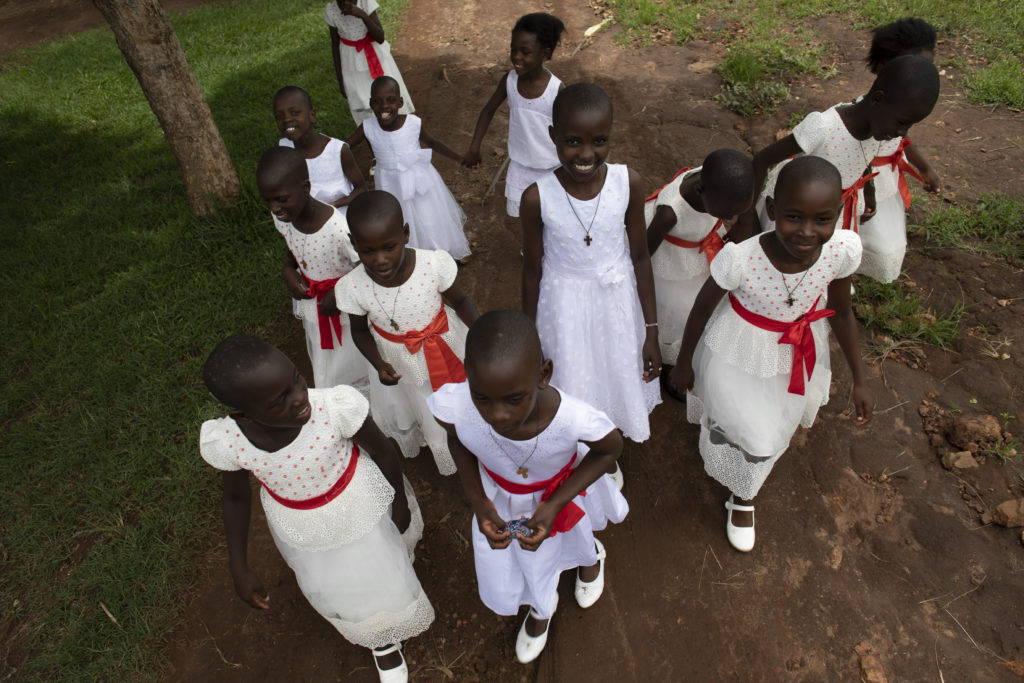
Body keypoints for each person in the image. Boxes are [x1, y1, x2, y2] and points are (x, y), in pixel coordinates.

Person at [199, 335, 433, 683]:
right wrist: (238, 565)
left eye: (297, 379)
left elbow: (384, 452)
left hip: (359, 504)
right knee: (336, 579)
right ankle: (379, 640)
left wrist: (399, 503)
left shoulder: (333, 408)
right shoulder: (230, 442)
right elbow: (235, 498)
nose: (299, 399)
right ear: (243, 414)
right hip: (301, 526)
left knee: (380, 565)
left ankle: (389, 623)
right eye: (280, 400)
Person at [669, 157, 873, 552]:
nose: (807, 232)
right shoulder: (741, 258)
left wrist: (860, 379)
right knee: (736, 415)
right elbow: (702, 308)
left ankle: (742, 495)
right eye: (794, 217)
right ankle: (740, 485)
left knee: (769, 425)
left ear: (837, 217)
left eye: (823, 220)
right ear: (773, 210)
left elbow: (843, 313)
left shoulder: (839, 253)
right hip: (737, 349)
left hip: (794, 354)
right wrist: (683, 364)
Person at [427, 311, 628, 664]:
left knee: (575, 536)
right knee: (529, 556)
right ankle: (541, 605)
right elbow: (457, 436)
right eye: (483, 398)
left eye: (514, 399)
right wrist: (479, 501)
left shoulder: (573, 418)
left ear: (543, 374)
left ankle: (590, 560)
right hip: (502, 499)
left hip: (560, 494)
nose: (497, 415)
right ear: (469, 377)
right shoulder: (454, 405)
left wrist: (554, 504)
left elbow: (610, 450)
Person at [521, 82, 661, 457]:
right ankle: (583, 450)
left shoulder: (626, 183)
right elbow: (532, 270)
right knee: (573, 374)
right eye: (572, 141)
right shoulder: (537, 197)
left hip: (615, 302)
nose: (586, 154)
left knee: (614, 369)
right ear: (552, 136)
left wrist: (651, 331)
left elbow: (641, 257)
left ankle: (607, 447)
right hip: (563, 306)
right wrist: (529, 338)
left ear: (611, 136)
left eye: (599, 141)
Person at [320, 190, 479, 475]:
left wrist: (480, 333)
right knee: (421, 401)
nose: (380, 260)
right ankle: (440, 443)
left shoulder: (432, 265)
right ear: (354, 244)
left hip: (446, 344)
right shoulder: (353, 287)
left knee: (462, 392)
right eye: (368, 251)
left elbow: (462, 301)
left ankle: (475, 434)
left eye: (389, 247)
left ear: (405, 234)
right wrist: (379, 364)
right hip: (400, 362)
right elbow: (360, 332)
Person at [750, 55, 940, 282]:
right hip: (793, 213)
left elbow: (865, 156)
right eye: (902, 122)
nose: (903, 133)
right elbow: (762, 160)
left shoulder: (877, 128)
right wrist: (747, 218)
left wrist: (869, 191)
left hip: (829, 213)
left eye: (910, 125)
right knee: (775, 269)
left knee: (812, 272)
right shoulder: (823, 127)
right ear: (878, 100)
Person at [645, 149, 755, 400]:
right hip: (669, 259)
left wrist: (743, 223)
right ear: (702, 192)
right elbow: (642, 255)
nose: (730, 219)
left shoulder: (716, 184)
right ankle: (671, 363)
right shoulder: (670, 212)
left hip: (695, 249)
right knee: (676, 310)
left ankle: (683, 355)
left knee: (704, 302)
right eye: (726, 215)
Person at [256, 146, 368, 392]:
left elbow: (367, 267)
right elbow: (293, 248)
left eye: (282, 199)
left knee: (356, 360)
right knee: (330, 364)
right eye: (267, 200)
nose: (274, 208)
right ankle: (338, 399)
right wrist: (288, 270)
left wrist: (338, 292)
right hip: (317, 307)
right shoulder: (283, 217)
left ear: (305, 188)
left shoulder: (337, 229)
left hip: (349, 312)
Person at [348, 76, 470, 260]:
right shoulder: (367, 127)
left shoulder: (413, 123)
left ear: (400, 102)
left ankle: (443, 251)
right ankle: (415, 255)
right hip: (390, 183)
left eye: (390, 100)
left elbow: (433, 143)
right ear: (371, 104)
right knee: (401, 218)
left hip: (419, 179)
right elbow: (344, 147)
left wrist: (460, 159)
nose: (384, 107)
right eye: (378, 102)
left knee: (429, 214)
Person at [463, 12, 566, 220]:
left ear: (545, 54)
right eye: (513, 49)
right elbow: (488, 110)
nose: (516, 57)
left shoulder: (556, 91)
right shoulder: (509, 81)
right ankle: (529, 252)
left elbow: (570, 132)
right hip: (520, 168)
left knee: (553, 219)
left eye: (525, 52)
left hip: (551, 171)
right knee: (525, 221)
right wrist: (474, 146)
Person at [273, 86, 367, 213]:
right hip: (305, 219)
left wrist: (334, 205)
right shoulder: (284, 149)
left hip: (340, 219)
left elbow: (361, 189)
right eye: (279, 116)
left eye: (294, 112)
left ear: (312, 115)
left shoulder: (338, 151)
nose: (286, 119)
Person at [324, 0, 414, 125]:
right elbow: (335, 44)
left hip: (376, 58)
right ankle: (374, 134)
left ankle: (400, 128)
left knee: (388, 94)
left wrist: (362, 14)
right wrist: (340, 80)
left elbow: (380, 37)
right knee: (363, 102)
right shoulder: (331, 10)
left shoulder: (365, 3)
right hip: (351, 64)